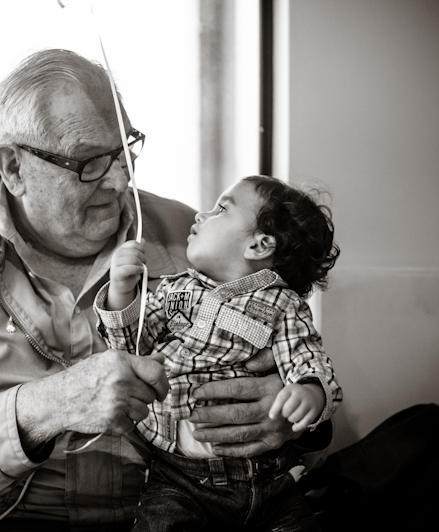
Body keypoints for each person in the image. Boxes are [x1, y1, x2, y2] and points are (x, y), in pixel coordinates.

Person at [0, 49, 323, 532]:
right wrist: (53, 405)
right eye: (90, 161)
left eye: (126, 149)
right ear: (14, 167)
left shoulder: (195, 240)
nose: (122, 180)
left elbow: (296, 351)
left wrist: (285, 413)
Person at [94, 176, 342, 531]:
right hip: (178, 477)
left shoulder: (283, 305)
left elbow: (306, 357)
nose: (201, 215)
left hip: (266, 480)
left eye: (221, 208)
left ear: (260, 244)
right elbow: (131, 348)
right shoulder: (174, 289)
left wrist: (312, 392)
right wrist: (121, 290)